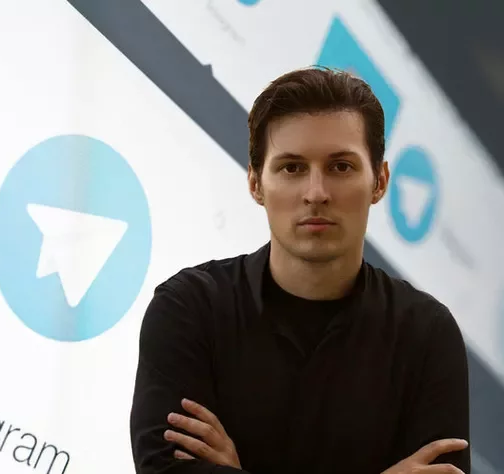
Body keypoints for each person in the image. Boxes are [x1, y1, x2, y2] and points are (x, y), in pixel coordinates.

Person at [129, 67, 471, 474]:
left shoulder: (427, 335)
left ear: (379, 181)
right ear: (256, 183)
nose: (316, 193)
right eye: (292, 168)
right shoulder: (189, 309)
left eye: (340, 167)